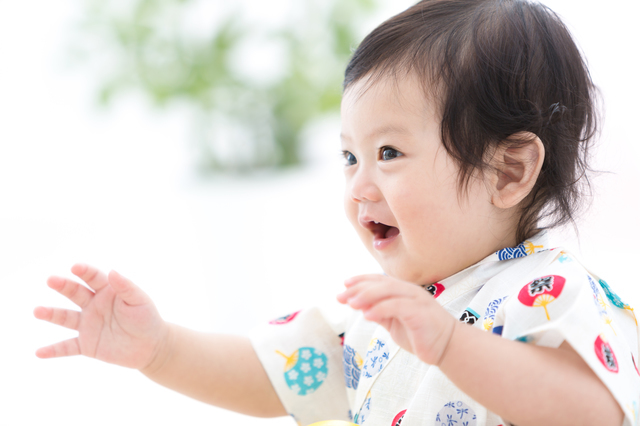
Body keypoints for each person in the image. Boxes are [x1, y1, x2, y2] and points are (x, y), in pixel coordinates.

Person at [34, 0, 639, 425]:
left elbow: (595, 410)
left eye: (389, 152)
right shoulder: (377, 314)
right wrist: (160, 349)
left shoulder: (547, 291)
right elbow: (267, 374)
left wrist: (453, 344)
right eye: (349, 156)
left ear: (507, 172)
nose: (359, 184)